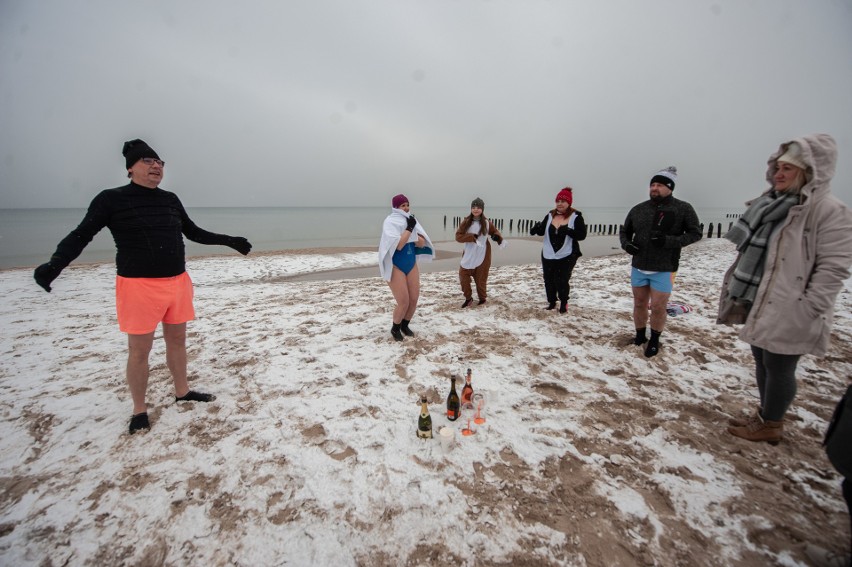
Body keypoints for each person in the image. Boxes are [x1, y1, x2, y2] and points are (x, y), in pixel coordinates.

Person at [33, 139, 252, 434]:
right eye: (148, 161)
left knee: (177, 341)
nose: (156, 166)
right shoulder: (111, 199)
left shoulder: (170, 199)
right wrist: (55, 265)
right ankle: (139, 409)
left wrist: (230, 240)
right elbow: (81, 235)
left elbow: (194, 232)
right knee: (139, 351)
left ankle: (183, 391)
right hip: (137, 286)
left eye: (160, 162)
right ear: (130, 169)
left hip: (177, 282)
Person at [718, 134, 852, 444]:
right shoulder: (773, 205)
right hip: (762, 298)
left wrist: (808, 307)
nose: (778, 174)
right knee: (762, 360)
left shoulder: (829, 211)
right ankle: (766, 414)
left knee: (779, 366)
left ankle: (772, 422)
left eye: (788, 169)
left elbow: (833, 268)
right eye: (777, 167)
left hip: (792, 304)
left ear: (808, 171)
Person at [619, 166, 701, 357]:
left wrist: (669, 242)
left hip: (665, 267)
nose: (654, 188)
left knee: (658, 306)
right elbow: (625, 231)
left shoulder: (683, 208)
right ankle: (640, 336)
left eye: (659, 185)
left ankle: (655, 339)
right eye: (652, 185)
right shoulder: (639, 209)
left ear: (670, 188)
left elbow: (695, 233)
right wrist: (627, 245)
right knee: (639, 303)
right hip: (639, 265)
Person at [378, 194, 434, 341]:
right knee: (403, 302)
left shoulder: (411, 220)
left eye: (407, 204)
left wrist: (411, 230)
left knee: (414, 299)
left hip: (411, 264)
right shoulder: (390, 222)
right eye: (403, 205)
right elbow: (398, 245)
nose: (406, 208)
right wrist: (409, 228)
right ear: (396, 207)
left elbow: (421, 242)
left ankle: (404, 325)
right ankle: (395, 328)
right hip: (396, 265)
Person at [529, 187, 587, 313]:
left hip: (567, 253)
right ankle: (551, 302)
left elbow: (582, 235)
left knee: (562, 279)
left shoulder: (576, 217)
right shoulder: (550, 215)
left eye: (563, 201)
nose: (560, 204)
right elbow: (541, 230)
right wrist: (535, 229)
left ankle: (564, 302)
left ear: (569, 203)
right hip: (548, 253)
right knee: (548, 278)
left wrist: (568, 231)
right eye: (558, 201)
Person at [455, 197, 504, 308]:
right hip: (468, 254)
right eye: (473, 207)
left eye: (478, 207)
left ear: (482, 209)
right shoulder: (466, 222)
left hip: (483, 255)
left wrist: (497, 237)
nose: (476, 210)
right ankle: (468, 298)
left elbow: (494, 232)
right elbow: (458, 237)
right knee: (463, 276)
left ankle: (482, 298)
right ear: (471, 209)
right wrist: (472, 237)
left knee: (481, 280)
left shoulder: (487, 223)